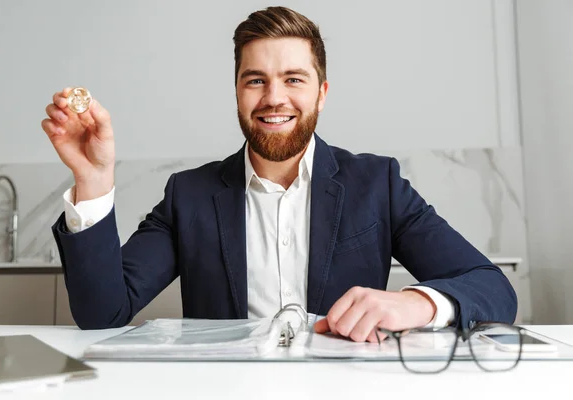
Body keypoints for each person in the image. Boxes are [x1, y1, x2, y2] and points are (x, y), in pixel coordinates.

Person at [41, 6, 517, 340]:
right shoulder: (189, 195)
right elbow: (103, 314)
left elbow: (493, 288)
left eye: (293, 79)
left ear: (322, 92)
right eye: (256, 80)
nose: (274, 98)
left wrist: (415, 304)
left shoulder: (378, 185)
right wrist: (95, 178)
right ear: (237, 92)